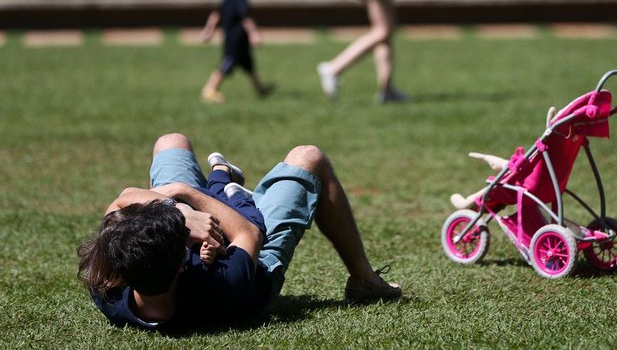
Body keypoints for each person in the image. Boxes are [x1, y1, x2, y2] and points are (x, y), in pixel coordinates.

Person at [77, 132, 401, 330]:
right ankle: (365, 281)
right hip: (253, 256)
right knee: (309, 157)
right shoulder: (221, 287)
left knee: (171, 142)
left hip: (172, 245)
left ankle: (210, 186)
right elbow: (248, 233)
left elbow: (121, 201)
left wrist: (177, 211)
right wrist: (186, 196)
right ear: (181, 264)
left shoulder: (108, 283)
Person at [200, 0, 274, 104]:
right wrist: (254, 33)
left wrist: (209, 30)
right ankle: (210, 89)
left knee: (248, 64)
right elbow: (245, 16)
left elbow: (216, 13)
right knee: (228, 63)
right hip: (236, 37)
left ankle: (260, 89)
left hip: (236, 36)